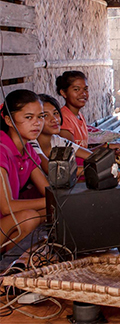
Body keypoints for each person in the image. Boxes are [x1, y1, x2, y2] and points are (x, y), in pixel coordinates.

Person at [0, 90, 48, 252]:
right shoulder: (1, 150)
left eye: (40, 116)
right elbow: (6, 207)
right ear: (8, 120)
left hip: (5, 222)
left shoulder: (27, 149)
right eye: (29, 117)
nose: (37, 123)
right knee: (29, 218)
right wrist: (53, 199)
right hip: (5, 219)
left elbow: (46, 189)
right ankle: (8, 268)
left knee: (56, 211)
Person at [56, 71, 120, 156]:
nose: (83, 93)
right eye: (76, 89)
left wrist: (106, 147)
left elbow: (83, 151)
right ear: (63, 93)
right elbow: (71, 154)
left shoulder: (79, 116)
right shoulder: (64, 118)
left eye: (85, 89)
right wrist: (105, 147)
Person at [29, 94, 92, 175]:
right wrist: (92, 169)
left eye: (55, 113)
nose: (54, 119)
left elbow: (91, 156)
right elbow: (51, 170)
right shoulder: (31, 143)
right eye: (45, 115)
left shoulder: (57, 140)